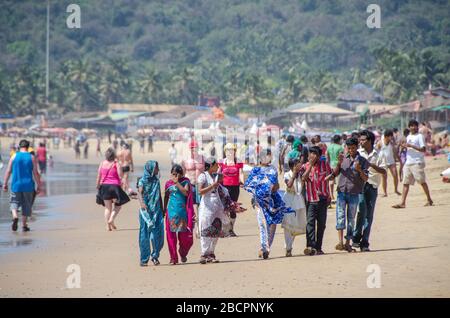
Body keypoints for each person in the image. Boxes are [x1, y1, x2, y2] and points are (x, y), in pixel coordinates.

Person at [244, 149, 295, 259]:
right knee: (262, 224)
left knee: (272, 225)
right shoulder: (256, 170)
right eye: (267, 156)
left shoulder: (273, 169)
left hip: (273, 200)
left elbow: (276, 185)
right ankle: (264, 248)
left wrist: (273, 189)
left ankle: (267, 247)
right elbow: (250, 186)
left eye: (270, 156)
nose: (269, 159)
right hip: (260, 201)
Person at [331, 137, 369, 253]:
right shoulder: (342, 158)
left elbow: (366, 178)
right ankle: (340, 242)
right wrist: (338, 163)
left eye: (353, 148)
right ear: (346, 148)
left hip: (354, 193)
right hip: (342, 192)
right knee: (340, 216)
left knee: (351, 219)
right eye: (349, 148)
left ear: (357, 147)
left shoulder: (363, 161)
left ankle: (348, 243)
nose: (351, 150)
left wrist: (359, 170)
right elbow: (335, 174)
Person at [353, 130, 386, 252]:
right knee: (361, 211)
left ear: (370, 141)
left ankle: (365, 242)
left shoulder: (379, 154)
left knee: (369, 215)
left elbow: (383, 171)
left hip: (372, 186)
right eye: (360, 140)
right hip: (360, 185)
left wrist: (371, 165)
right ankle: (356, 237)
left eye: (363, 140)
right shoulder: (358, 153)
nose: (361, 142)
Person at [393, 120, 433, 209]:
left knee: (422, 182)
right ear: (409, 127)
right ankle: (402, 203)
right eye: (411, 126)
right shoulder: (409, 137)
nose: (413, 127)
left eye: (415, 126)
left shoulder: (420, 136)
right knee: (405, 183)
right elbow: (408, 148)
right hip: (408, 162)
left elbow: (423, 149)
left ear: (417, 127)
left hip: (417, 162)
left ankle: (429, 200)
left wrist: (411, 146)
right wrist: (404, 147)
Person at [3, 139, 41, 232]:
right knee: (26, 205)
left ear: (19, 147)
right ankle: (24, 225)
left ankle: (15, 216)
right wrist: (39, 185)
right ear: (28, 148)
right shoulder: (31, 157)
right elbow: (35, 173)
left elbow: (8, 171)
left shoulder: (14, 156)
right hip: (28, 185)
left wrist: (5, 183)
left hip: (16, 185)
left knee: (14, 202)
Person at [300, 146, 332, 256]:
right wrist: (311, 166)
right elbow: (303, 178)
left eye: (314, 154)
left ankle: (318, 247)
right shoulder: (305, 166)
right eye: (310, 154)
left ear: (319, 156)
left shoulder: (325, 165)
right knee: (310, 223)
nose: (312, 156)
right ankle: (310, 246)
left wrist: (329, 195)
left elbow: (331, 177)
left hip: (323, 199)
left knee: (322, 224)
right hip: (311, 199)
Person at [164, 164, 194, 265]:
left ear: (181, 174)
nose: (174, 176)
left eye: (176, 174)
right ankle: (173, 258)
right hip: (171, 214)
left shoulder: (185, 181)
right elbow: (166, 197)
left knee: (184, 237)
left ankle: (183, 252)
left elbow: (186, 193)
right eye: (172, 174)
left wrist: (177, 183)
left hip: (182, 214)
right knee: (171, 237)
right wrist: (164, 209)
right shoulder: (168, 183)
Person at [137, 160, 164, 266]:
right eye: (156, 168)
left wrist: (162, 209)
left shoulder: (156, 181)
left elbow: (159, 196)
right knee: (144, 236)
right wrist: (142, 202)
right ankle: (144, 259)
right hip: (146, 213)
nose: (158, 170)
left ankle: (155, 256)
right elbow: (139, 193)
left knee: (157, 235)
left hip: (157, 211)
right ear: (151, 169)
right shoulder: (142, 181)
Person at [96, 148, 130, 231]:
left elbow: (98, 176)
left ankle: (108, 226)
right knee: (118, 205)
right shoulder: (116, 164)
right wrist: (124, 184)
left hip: (104, 186)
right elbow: (120, 175)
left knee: (107, 208)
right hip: (115, 187)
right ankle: (111, 219)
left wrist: (97, 185)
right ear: (114, 156)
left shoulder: (102, 163)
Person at [218, 143, 245, 237]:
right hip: (224, 187)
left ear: (235, 151)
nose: (230, 152)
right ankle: (223, 230)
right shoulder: (222, 162)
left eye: (232, 150)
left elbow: (241, 173)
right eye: (228, 150)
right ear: (225, 151)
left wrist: (242, 181)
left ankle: (231, 229)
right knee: (223, 208)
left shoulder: (238, 161)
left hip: (235, 188)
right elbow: (218, 173)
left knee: (233, 208)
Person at [281, 158, 307, 257]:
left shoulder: (301, 175)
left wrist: (300, 175)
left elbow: (302, 186)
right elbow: (289, 185)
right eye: (298, 164)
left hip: (298, 201)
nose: (300, 165)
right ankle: (288, 247)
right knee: (288, 225)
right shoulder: (287, 174)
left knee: (295, 225)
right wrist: (294, 174)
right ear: (293, 166)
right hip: (289, 201)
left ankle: (289, 245)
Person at [181, 140, 205, 237]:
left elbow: (206, 171)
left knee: (201, 207)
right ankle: (192, 228)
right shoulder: (186, 160)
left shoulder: (202, 158)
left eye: (194, 148)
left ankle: (199, 228)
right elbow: (182, 173)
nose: (193, 150)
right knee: (190, 208)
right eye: (191, 148)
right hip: (189, 185)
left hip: (200, 185)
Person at [376, 129, 401, 196]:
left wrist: (398, 159)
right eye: (390, 136)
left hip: (391, 161)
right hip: (383, 162)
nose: (391, 137)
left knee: (395, 175)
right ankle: (385, 192)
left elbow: (395, 151)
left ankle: (396, 190)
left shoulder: (391, 143)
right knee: (384, 177)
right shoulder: (380, 143)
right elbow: (376, 152)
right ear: (386, 136)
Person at [327, 135, 344, 203]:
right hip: (338, 165)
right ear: (339, 140)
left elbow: (327, 156)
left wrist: (328, 164)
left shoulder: (329, 146)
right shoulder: (340, 147)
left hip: (331, 165)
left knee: (331, 181)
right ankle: (338, 196)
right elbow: (342, 157)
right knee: (339, 181)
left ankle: (331, 195)